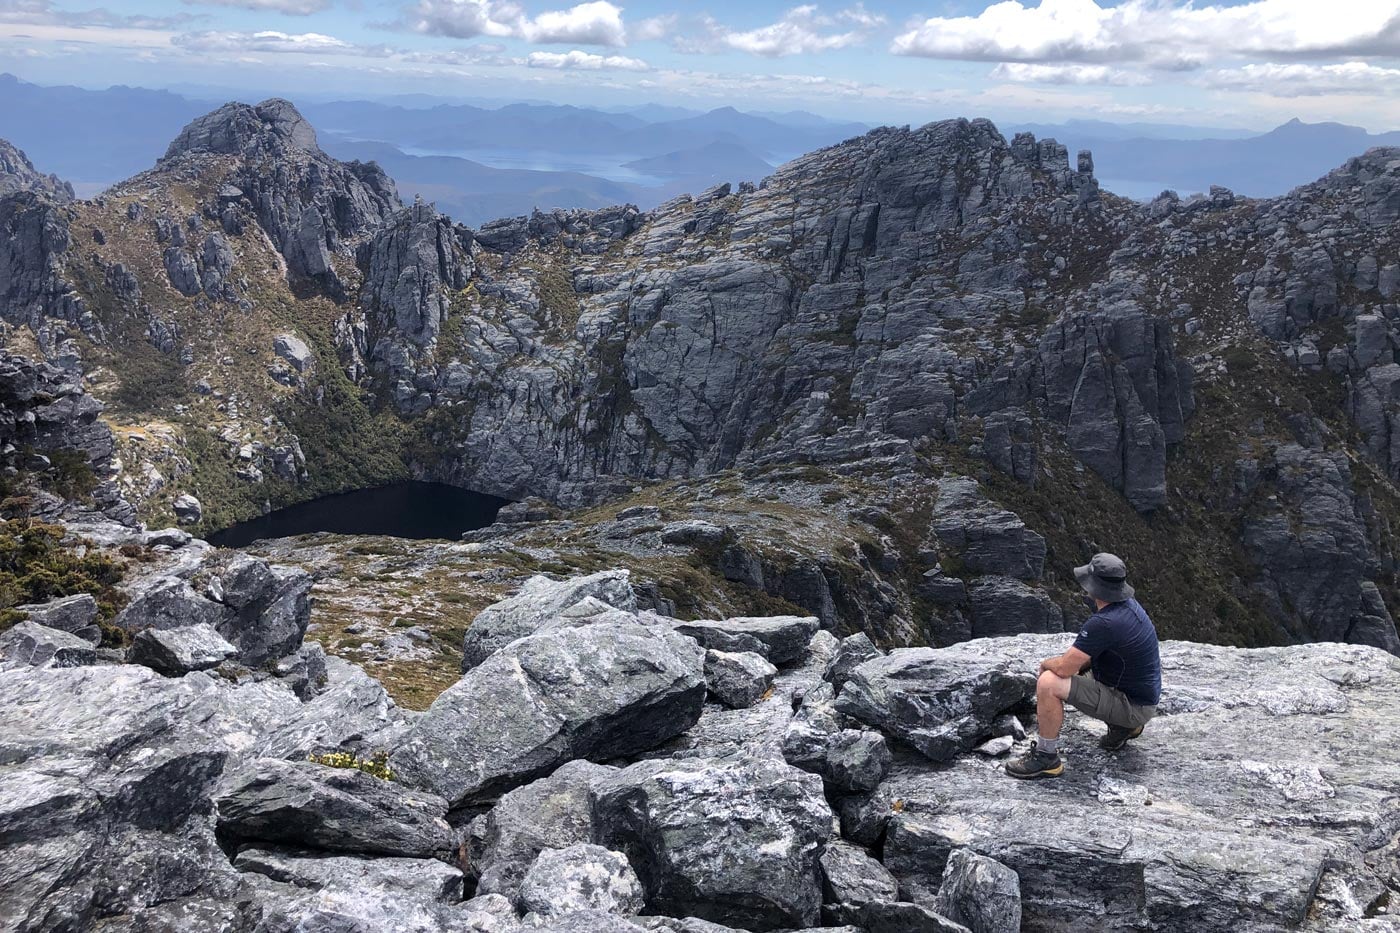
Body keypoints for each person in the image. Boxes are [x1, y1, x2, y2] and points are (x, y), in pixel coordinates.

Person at [1006, 552, 1161, 780]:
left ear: (1095, 586)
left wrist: (1046, 664)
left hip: (1132, 707)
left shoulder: (1105, 622)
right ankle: (1125, 728)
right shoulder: (1127, 607)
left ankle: (1046, 758)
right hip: (1139, 700)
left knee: (1049, 683)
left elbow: (1063, 669)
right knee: (1072, 668)